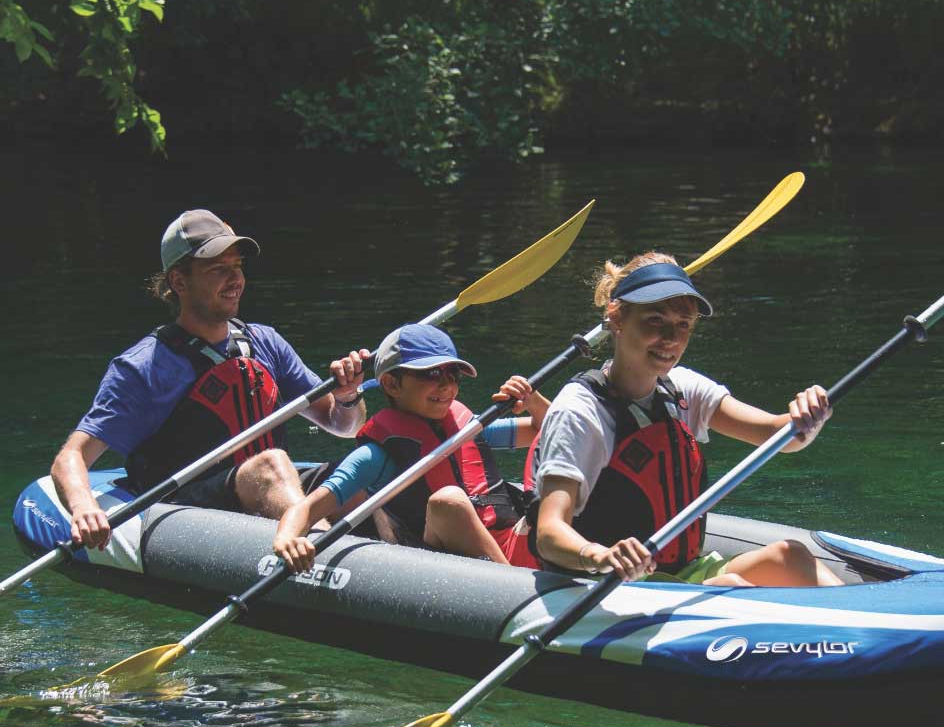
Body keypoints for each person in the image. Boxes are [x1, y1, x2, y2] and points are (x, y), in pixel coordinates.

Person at [51, 209, 370, 550]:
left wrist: (350, 395)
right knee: (271, 464)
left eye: (237, 267)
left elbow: (344, 425)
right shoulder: (144, 366)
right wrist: (84, 507)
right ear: (179, 282)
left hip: (271, 488)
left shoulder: (265, 342)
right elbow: (70, 457)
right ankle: (325, 553)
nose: (235, 280)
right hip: (188, 508)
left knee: (362, 473)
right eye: (218, 269)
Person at [531, 252, 844, 587]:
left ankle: (870, 628)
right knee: (732, 586)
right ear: (617, 318)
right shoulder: (580, 410)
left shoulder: (682, 388)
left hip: (679, 575)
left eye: (683, 325)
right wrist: (601, 556)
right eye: (655, 320)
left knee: (790, 556)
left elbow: (781, 437)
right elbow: (549, 533)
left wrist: (809, 413)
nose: (671, 339)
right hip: (609, 585)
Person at [273, 323, 548, 573]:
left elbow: (546, 431)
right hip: (445, 561)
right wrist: (287, 538)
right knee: (448, 502)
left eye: (453, 374)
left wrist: (533, 400)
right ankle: (514, 586)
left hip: (508, 540)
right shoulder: (376, 456)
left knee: (562, 480)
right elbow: (308, 508)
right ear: (392, 384)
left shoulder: (469, 427)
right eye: (431, 373)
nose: (446, 384)